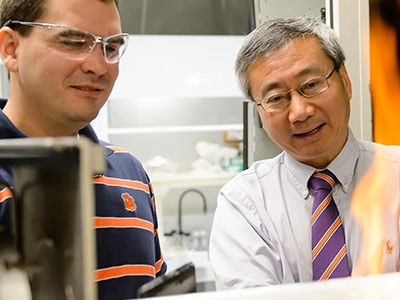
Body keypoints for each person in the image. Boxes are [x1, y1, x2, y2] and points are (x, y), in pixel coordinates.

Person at [209, 16, 400, 290]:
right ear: (259, 113)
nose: (300, 112)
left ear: (345, 81)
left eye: (311, 85)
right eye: (276, 98)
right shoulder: (245, 203)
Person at [0, 0, 166, 299]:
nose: (98, 66)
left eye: (111, 47)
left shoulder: (130, 173)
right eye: (74, 42)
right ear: (11, 48)